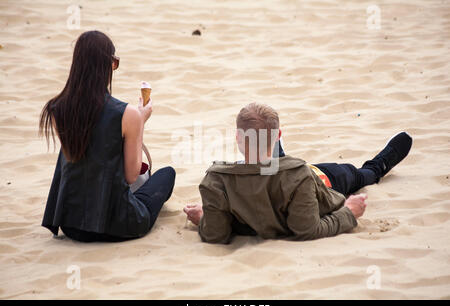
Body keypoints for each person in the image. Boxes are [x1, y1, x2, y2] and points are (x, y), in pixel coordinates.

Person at [183, 102, 412, 244]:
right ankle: (378, 166)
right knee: (358, 175)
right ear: (280, 134)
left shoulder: (216, 180)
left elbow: (215, 235)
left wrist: (204, 217)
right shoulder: (300, 174)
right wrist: (350, 212)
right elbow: (309, 230)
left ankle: (268, 153)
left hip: (281, 174)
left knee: (271, 164)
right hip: (317, 179)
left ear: (236, 138)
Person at [39, 31, 175, 242]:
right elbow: (131, 175)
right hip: (118, 224)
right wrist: (139, 123)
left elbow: (87, 153)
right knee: (167, 174)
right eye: (114, 62)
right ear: (107, 65)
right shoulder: (127, 114)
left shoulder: (56, 108)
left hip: (72, 225)